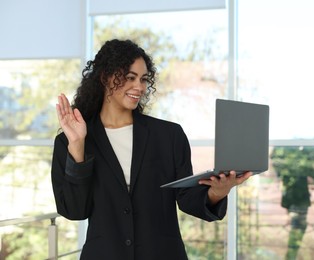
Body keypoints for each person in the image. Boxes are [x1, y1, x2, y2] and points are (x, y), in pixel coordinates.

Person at [51, 39, 252, 259]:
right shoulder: (72, 141)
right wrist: (78, 147)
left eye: (144, 79)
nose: (139, 87)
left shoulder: (168, 135)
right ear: (105, 77)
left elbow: (185, 198)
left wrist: (216, 193)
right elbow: (74, 210)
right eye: (130, 77)